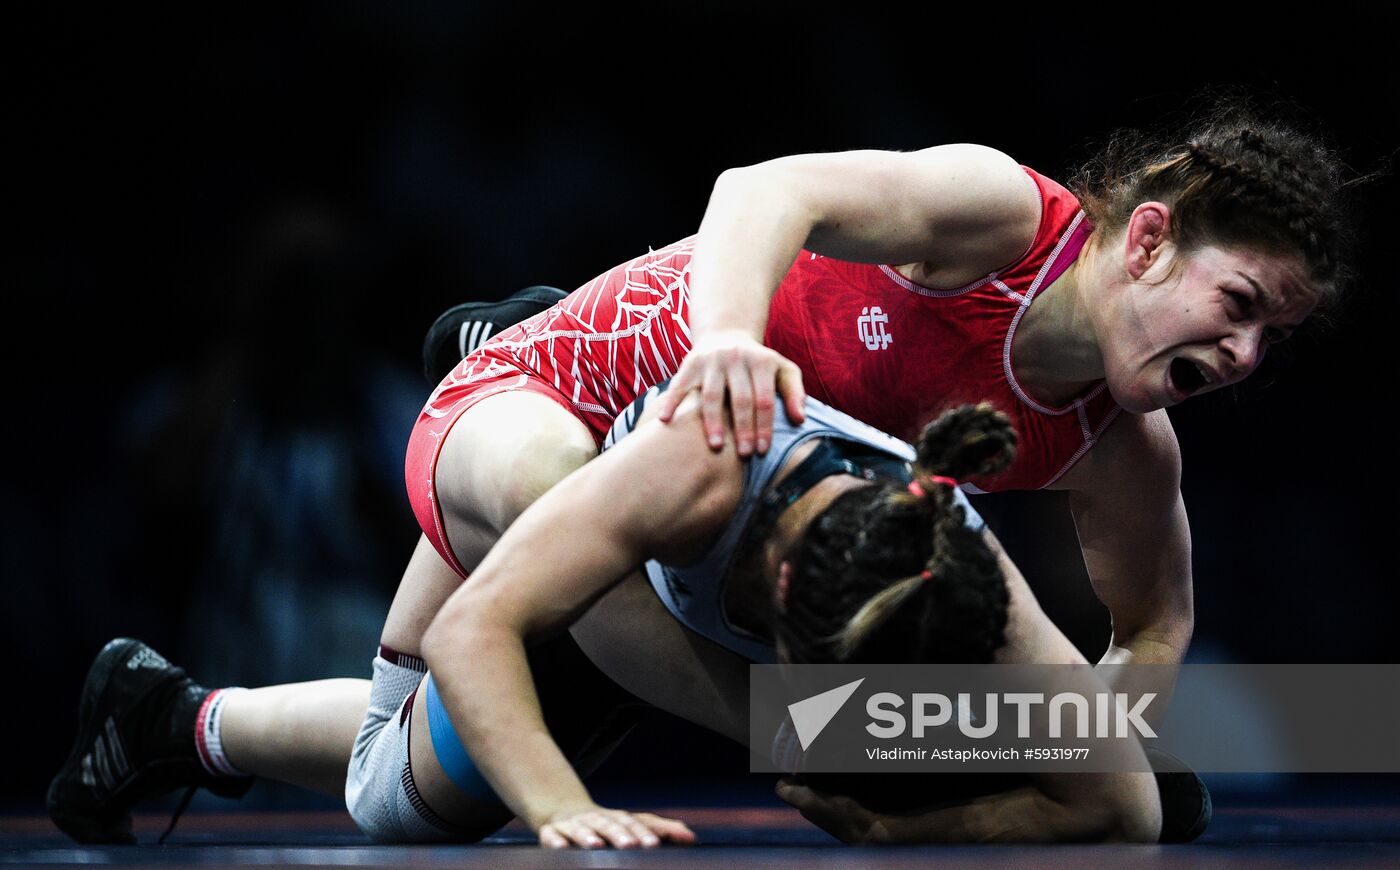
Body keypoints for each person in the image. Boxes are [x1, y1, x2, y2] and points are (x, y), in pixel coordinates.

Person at [50, 97, 1354, 844]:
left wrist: (1058, 764)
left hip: (709, 518)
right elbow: (759, 187)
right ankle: (509, 341)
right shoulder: (1001, 216)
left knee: (399, 778)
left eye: (1272, 339)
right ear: (1146, 240)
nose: (1242, 352)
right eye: (1238, 303)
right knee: (712, 664)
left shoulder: (1126, 454)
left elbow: (1155, 622)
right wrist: (726, 347)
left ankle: (170, 717)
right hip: (570, 410)